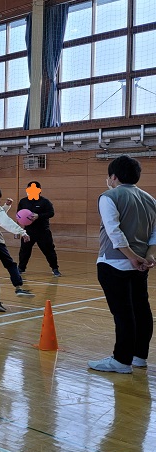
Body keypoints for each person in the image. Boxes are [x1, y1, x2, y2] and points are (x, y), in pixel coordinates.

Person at [88, 155, 156, 374]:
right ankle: (139, 357)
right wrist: (149, 256)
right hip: (140, 265)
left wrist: (131, 256)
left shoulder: (109, 196)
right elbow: (154, 233)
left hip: (114, 263)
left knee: (123, 313)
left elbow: (114, 231)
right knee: (141, 310)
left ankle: (121, 360)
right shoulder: (150, 199)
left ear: (113, 177)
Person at [0, 187, 35, 312]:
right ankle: (18, 287)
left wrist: (6, 206)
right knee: (10, 264)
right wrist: (22, 232)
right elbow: (6, 222)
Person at [17, 181, 61, 277]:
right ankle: (21, 268)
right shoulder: (23, 201)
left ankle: (55, 268)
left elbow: (51, 213)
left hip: (43, 231)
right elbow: (19, 214)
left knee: (49, 250)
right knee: (24, 250)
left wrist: (39, 216)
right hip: (28, 231)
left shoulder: (45, 202)